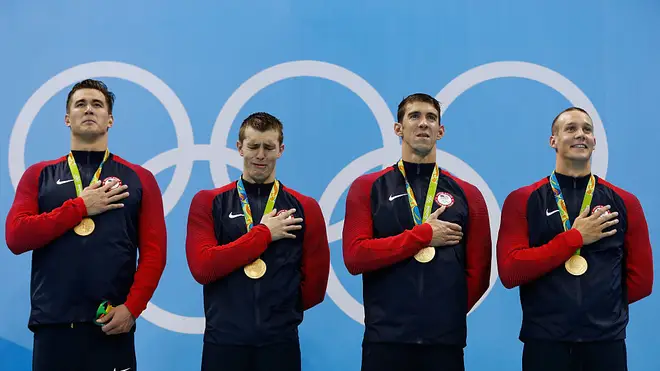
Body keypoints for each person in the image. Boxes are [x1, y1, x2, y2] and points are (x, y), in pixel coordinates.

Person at [5, 79, 167, 371]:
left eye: (97, 104)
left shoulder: (140, 179)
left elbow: (155, 254)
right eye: (80, 104)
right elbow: (16, 237)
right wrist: (80, 207)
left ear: (110, 119)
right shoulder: (39, 175)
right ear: (67, 119)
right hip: (53, 325)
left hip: (110, 323)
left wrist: (132, 309)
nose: (89, 109)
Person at [342, 93, 492, 371]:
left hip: (444, 342)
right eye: (414, 116)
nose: (423, 123)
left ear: (441, 131)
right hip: (385, 340)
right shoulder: (367, 187)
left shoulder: (469, 194)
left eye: (431, 118)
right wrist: (422, 236)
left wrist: (444, 315)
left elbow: (480, 272)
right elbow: (355, 256)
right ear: (398, 129)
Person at [496, 107, 654, 371]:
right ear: (553, 140)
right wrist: (575, 238)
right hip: (545, 344)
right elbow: (511, 271)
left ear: (594, 141)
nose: (580, 134)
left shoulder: (625, 202)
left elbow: (642, 281)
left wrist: (600, 309)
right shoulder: (522, 200)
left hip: (606, 344)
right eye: (570, 128)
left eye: (587, 129)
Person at [185, 112, 330, 371]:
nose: (260, 155)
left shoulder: (305, 207)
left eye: (268, 147)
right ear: (239, 148)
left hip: (280, 343)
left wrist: (280, 312)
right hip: (224, 343)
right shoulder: (208, 201)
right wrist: (263, 233)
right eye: (253, 146)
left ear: (281, 150)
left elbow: (316, 287)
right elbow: (203, 267)